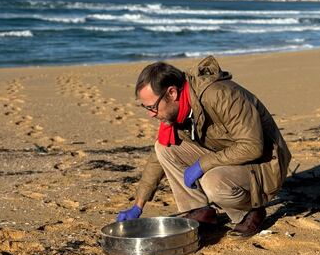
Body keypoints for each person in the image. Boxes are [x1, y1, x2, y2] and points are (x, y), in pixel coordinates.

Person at [116, 56, 291, 237]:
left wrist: (202, 164)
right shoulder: (178, 108)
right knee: (163, 148)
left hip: (266, 163)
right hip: (227, 154)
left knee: (212, 182)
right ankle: (199, 213)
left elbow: (252, 147)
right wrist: (138, 205)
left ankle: (249, 212)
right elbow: (157, 158)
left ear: (172, 93)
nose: (151, 115)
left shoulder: (220, 95)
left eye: (152, 107)